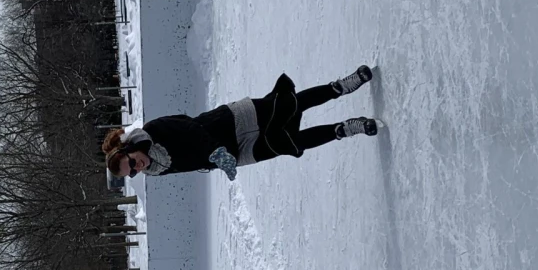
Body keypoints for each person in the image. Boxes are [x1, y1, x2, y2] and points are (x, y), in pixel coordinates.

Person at [103, 66, 379, 180]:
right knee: (288, 143)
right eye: (133, 172)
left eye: (132, 162)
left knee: (288, 106)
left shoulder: (153, 131)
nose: (138, 167)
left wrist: (214, 152)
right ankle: (344, 129)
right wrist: (217, 161)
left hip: (232, 121)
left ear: (129, 149)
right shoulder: (157, 170)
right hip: (237, 153)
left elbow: (189, 126)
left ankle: (341, 86)